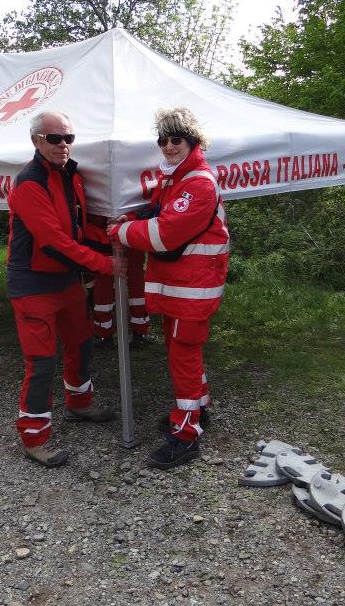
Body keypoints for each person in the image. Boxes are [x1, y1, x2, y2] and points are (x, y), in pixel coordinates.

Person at [109, 106, 229, 469]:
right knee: (184, 350)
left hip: (192, 288)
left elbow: (165, 233)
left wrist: (119, 232)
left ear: (192, 141)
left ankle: (187, 434)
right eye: (163, 140)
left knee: (184, 357)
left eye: (176, 139)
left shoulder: (197, 182)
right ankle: (200, 408)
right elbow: (158, 212)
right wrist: (133, 218)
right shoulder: (178, 178)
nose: (168, 145)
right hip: (183, 286)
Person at [6, 110, 120, 468]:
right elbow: (53, 240)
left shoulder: (70, 175)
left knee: (81, 341)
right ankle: (34, 437)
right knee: (41, 362)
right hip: (33, 283)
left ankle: (79, 403)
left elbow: (77, 228)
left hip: (66, 278)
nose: (63, 146)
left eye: (68, 138)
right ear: (36, 141)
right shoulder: (29, 182)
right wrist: (104, 264)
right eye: (55, 139)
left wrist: (116, 235)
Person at [84, 214, 153, 348]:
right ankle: (139, 331)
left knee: (106, 279)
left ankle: (105, 332)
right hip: (129, 228)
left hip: (107, 230)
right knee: (132, 278)